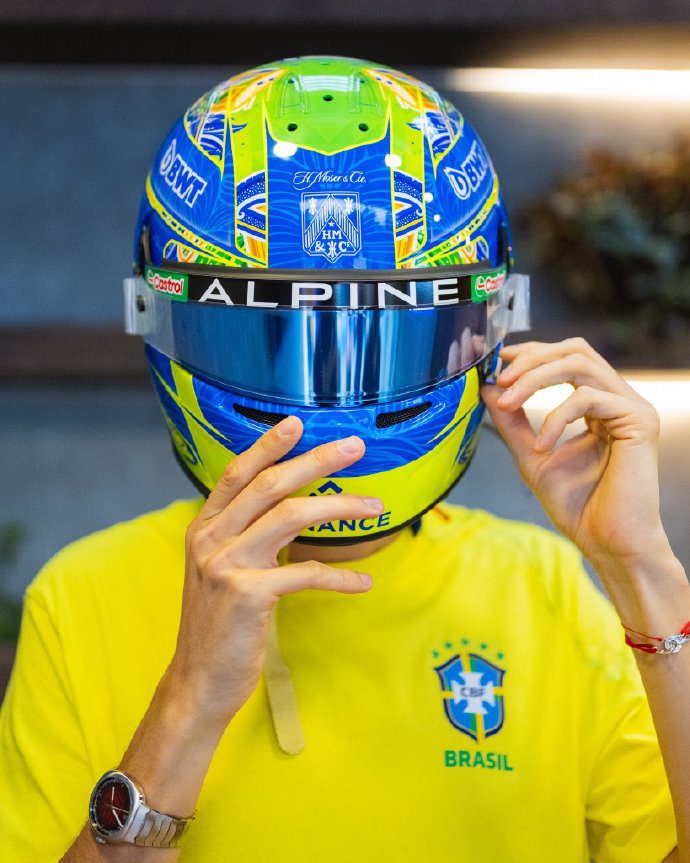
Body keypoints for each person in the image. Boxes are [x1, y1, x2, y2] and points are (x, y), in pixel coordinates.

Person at [0, 56, 687, 863]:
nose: (329, 409)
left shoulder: (552, 592)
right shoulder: (84, 596)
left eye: (383, 347)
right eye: (271, 345)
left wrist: (643, 568)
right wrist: (189, 700)